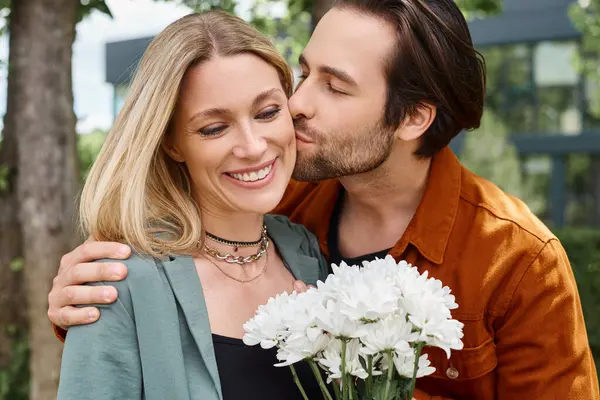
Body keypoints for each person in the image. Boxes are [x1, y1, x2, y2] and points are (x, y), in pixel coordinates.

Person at [50, 0, 600, 399]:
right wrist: (92, 306)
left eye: (335, 87)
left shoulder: (519, 262)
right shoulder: (274, 198)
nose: (295, 105)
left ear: (413, 117)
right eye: (305, 73)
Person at [56, 11, 330, 400]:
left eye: (267, 112)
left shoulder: (306, 253)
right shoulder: (118, 282)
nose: (252, 146)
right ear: (171, 143)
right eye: (214, 128)